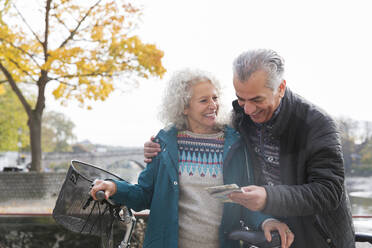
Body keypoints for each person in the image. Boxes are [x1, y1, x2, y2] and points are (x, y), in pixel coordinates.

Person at [144, 50, 355, 248]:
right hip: (267, 234)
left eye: (256, 100)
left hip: (316, 240)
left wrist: (268, 197)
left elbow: (329, 192)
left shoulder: (317, 124)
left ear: (280, 88)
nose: (248, 109)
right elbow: (202, 133)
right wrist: (158, 148)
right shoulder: (240, 117)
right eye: (240, 98)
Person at [90, 68, 294, 248]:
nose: (213, 105)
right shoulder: (164, 143)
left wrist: (266, 222)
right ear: (184, 107)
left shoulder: (235, 144)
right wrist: (115, 187)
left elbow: (245, 199)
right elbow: (144, 195)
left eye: (215, 98)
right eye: (204, 100)